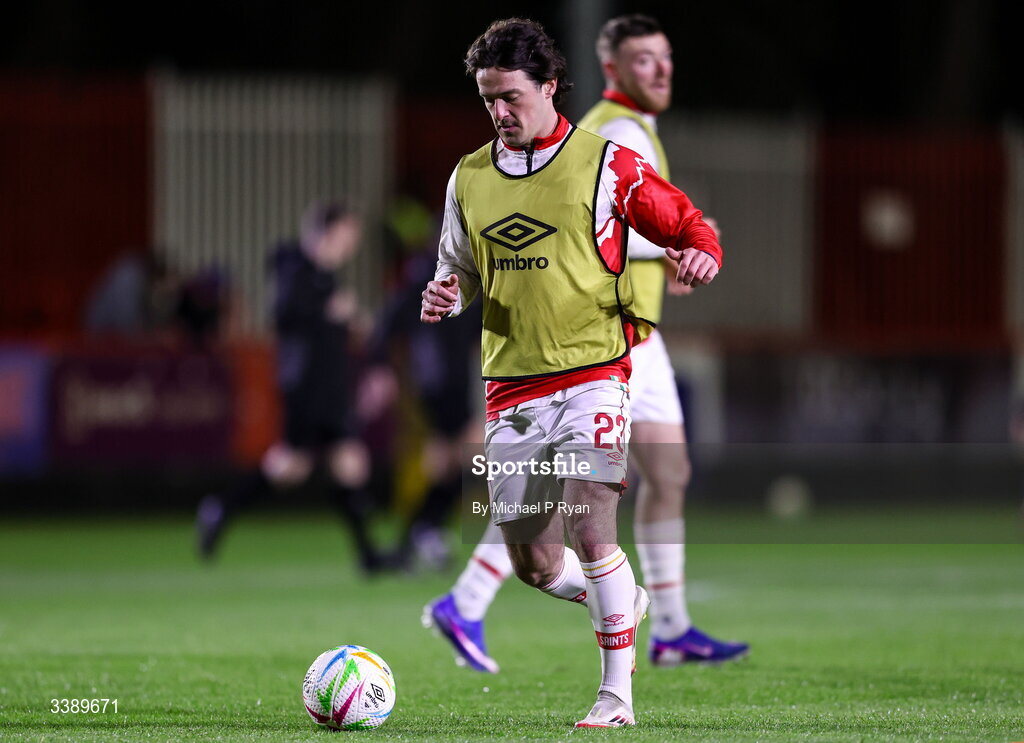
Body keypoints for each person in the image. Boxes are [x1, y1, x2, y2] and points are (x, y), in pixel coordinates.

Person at [425, 14, 749, 681]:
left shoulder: (605, 157)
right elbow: (457, 269)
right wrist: (446, 295)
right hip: (511, 384)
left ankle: (616, 693)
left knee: (594, 524)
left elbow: (683, 219)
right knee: (535, 561)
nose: (498, 111)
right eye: (488, 98)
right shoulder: (470, 177)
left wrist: (702, 252)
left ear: (550, 86)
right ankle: (623, 603)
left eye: (510, 95)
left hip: (598, 366)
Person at [195, 199, 395, 573]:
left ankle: (369, 557)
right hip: (307, 389)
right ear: (326, 233)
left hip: (327, 388)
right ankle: (221, 507)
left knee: (346, 464)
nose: (350, 245)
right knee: (293, 466)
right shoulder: (297, 269)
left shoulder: (322, 275)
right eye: (346, 236)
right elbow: (285, 313)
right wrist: (331, 311)